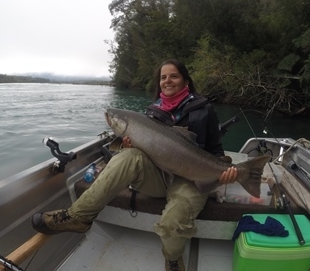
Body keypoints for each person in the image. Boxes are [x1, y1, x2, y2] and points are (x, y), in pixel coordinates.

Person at [31, 59, 238, 271]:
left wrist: (224, 170)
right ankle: (78, 216)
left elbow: (215, 149)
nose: (167, 81)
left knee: (173, 221)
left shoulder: (205, 110)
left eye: (173, 76)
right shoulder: (152, 112)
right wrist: (126, 144)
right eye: (163, 77)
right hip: (158, 176)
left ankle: (173, 259)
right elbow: (142, 152)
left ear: (186, 80)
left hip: (191, 180)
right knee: (126, 155)